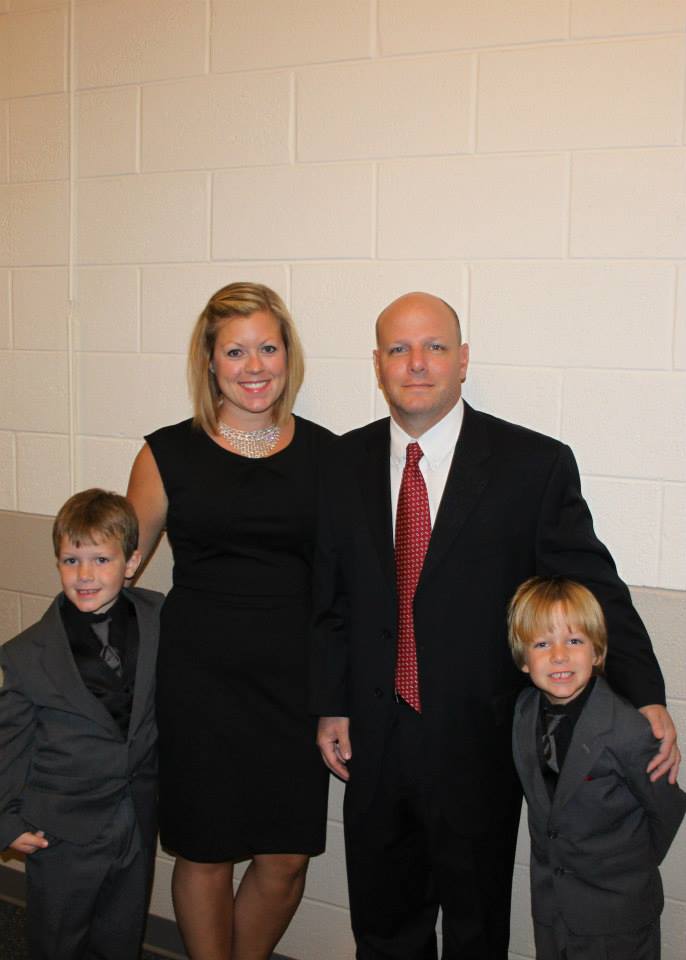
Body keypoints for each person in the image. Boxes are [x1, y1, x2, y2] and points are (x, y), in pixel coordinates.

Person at [311, 291, 680, 960]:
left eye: (434, 347)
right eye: (398, 348)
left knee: (477, 928)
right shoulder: (340, 464)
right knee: (383, 926)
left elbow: (594, 585)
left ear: (462, 360)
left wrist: (645, 692)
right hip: (373, 737)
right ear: (378, 364)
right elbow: (330, 600)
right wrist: (332, 702)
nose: (416, 363)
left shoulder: (532, 465)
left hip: (478, 744)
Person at [127, 282, 332, 960]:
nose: (254, 367)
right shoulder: (166, 453)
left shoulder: (329, 456)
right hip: (200, 683)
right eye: (235, 351)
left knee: (286, 857)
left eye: (267, 348)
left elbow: (351, 582)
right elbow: (113, 567)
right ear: (210, 362)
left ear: (288, 355)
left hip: (296, 686)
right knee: (206, 852)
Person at [0, 489, 163, 960]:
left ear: (131, 563)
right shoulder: (26, 655)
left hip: (136, 818)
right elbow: (8, 744)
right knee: (58, 938)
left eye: (100, 559)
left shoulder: (159, 617)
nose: (85, 575)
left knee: (122, 933)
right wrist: (5, 820)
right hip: (61, 829)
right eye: (71, 560)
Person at [508, 576, 686, 960]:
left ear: (597, 652)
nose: (559, 655)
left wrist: (627, 868)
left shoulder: (629, 730)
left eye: (574, 641)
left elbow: (667, 807)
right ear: (523, 660)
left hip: (618, 917)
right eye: (542, 644)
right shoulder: (522, 714)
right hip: (551, 910)